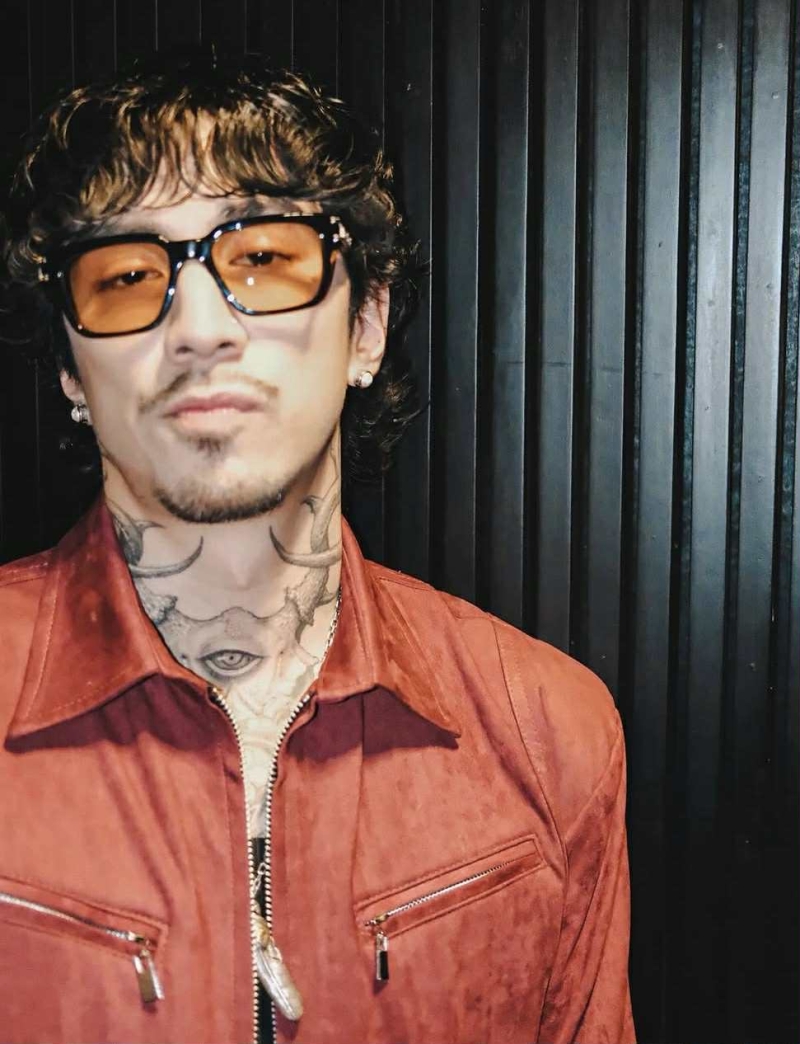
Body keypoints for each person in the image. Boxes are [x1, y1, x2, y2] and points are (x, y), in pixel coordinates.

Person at [0, 55, 635, 1044]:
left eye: (264, 258)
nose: (198, 327)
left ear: (366, 327)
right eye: (125, 277)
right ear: (73, 373)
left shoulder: (548, 733)